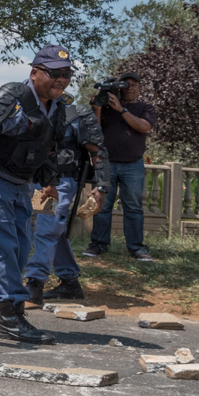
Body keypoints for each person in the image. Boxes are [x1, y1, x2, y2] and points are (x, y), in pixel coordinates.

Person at [0, 46, 72, 344]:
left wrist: (50, 183)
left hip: (20, 183)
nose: (61, 79)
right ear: (34, 73)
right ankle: (11, 317)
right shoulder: (13, 97)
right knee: (5, 245)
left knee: (20, 248)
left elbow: (48, 148)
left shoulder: (57, 106)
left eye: (66, 74)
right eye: (54, 73)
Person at [24, 96, 110, 307]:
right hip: (34, 178)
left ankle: (35, 283)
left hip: (63, 180)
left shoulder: (77, 114)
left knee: (46, 229)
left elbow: (97, 151)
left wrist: (101, 187)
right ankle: (69, 280)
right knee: (55, 230)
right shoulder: (30, 109)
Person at [87, 72, 156, 261]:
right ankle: (98, 244)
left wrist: (121, 109)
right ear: (119, 88)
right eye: (126, 84)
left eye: (134, 84)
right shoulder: (107, 107)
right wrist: (97, 108)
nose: (130, 88)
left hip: (133, 164)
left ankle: (137, 248)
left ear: (139, 88)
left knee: (133, 207)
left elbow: (144, 127)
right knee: (102, 205)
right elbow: (95, 131)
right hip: (106, 163)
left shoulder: (145, 108)